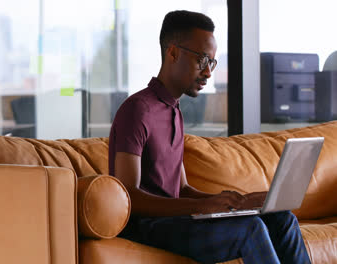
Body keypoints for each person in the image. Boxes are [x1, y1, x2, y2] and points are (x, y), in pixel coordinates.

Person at [109, 10, 311, 264]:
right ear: (173, 53)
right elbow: (129, 196)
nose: (208, 72)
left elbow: (181, 189)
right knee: (251, 229)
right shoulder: (138, 109)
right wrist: (201, 207)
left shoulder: (174, 111)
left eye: (212, 63)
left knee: (282, 217)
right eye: (203, 60)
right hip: (150, 228)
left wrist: (236, 201)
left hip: (177, 221)